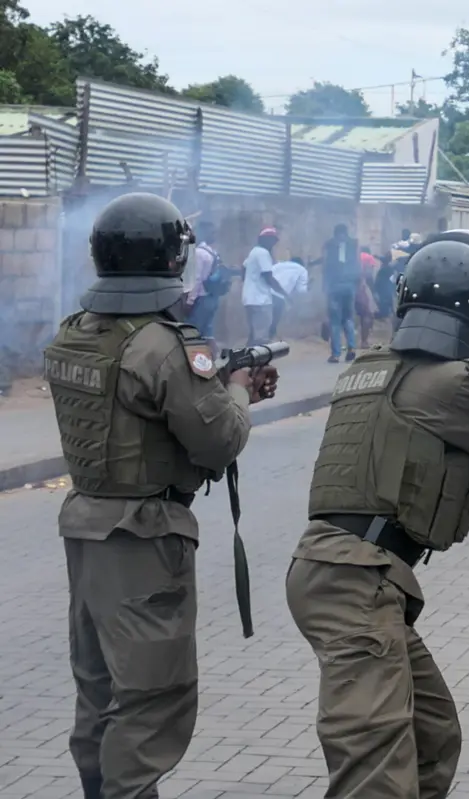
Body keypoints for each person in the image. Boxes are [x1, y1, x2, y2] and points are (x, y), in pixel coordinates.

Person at [286, 229, 469, 798]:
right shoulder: (455, 385)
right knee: (374, 770)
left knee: (431, 735)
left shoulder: (368, 366)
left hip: (343, 575)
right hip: (356, 584)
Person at [45, 193, 279, 799]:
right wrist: (239, 391)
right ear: (174, 258)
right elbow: (219, 440)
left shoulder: (74, 333)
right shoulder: (165, 344)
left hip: (86, 526)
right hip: (145, 535)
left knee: (99, 688)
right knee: (152, 696)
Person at [321, 224, 361, 363]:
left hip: (335, 287)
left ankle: (336, 354)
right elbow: (358, 266)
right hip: (349, 286)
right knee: (348, 318)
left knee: (335, 322)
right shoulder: (353, 244)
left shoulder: (329, 245)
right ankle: (352, 347)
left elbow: (325, 265)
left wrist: (324, 286)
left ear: (335, 233)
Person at [185, 220, 225, 355]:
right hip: (212, 298)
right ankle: (218, 360)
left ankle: (197, 363)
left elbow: (196, 279)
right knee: (207, 333)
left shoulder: (199, 253)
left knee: (192, 333)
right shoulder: (213, 252)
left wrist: (190, 301)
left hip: (201, 299)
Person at [242, 227, 285, 346]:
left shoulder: (253, 252)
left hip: (249, 299)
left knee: (253, 335)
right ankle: (259, 363)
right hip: (260, 301)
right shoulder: (263, 253)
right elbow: (268, 277)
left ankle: (247, 360)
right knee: (261, 338)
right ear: (265, 240)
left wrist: (249, 283)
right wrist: (283, 293)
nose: (274, 244)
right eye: (273, 241)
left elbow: (243, 268)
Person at [268, 256, 309, 340]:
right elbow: (301, 291)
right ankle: (270, 338)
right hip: (279, 295)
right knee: (274, 319)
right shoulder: (302, 270)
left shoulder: (278, 265)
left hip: (265, 293)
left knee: (265, 319)